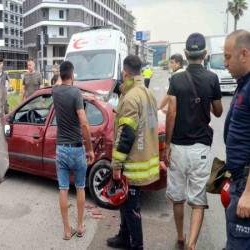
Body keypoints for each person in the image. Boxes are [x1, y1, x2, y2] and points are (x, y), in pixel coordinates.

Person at [164, 32, 223, 250]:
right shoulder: (212, 78)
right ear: (205, 54)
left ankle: (180, 236)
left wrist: (167, 146)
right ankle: (192, 244)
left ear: (186, 54)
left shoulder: (176, 79)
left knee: (178, 198)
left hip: (178, 147)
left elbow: (171, 113)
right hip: (201, 149)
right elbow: (218, 112)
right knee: (198, 200)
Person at [106, 55, 160, 250]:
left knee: (131, 209)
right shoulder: (147, 93)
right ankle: (123, 236)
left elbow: (127, 135)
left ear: (125, 73)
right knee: (126, 203)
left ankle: (136, 246)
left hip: (133, 164)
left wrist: (116, 166)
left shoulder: (130, 98)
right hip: (144, 159)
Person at [52, 61, 95, 241]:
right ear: (72, 74)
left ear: (61, 75)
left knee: (63, 188)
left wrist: (57, 74)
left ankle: (66, 230)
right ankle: (79, 226)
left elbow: (55, 82)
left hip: (61, 148)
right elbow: (84, 122)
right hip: (77, 148)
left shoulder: (55, 91)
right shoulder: (76, 93)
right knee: (79, 187)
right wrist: (90, 148)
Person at [223, 29, 250, 250]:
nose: (225, 63)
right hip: (239, 180)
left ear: (244, 54)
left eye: (228, 57)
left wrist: (248, 193)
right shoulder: (244, 83)